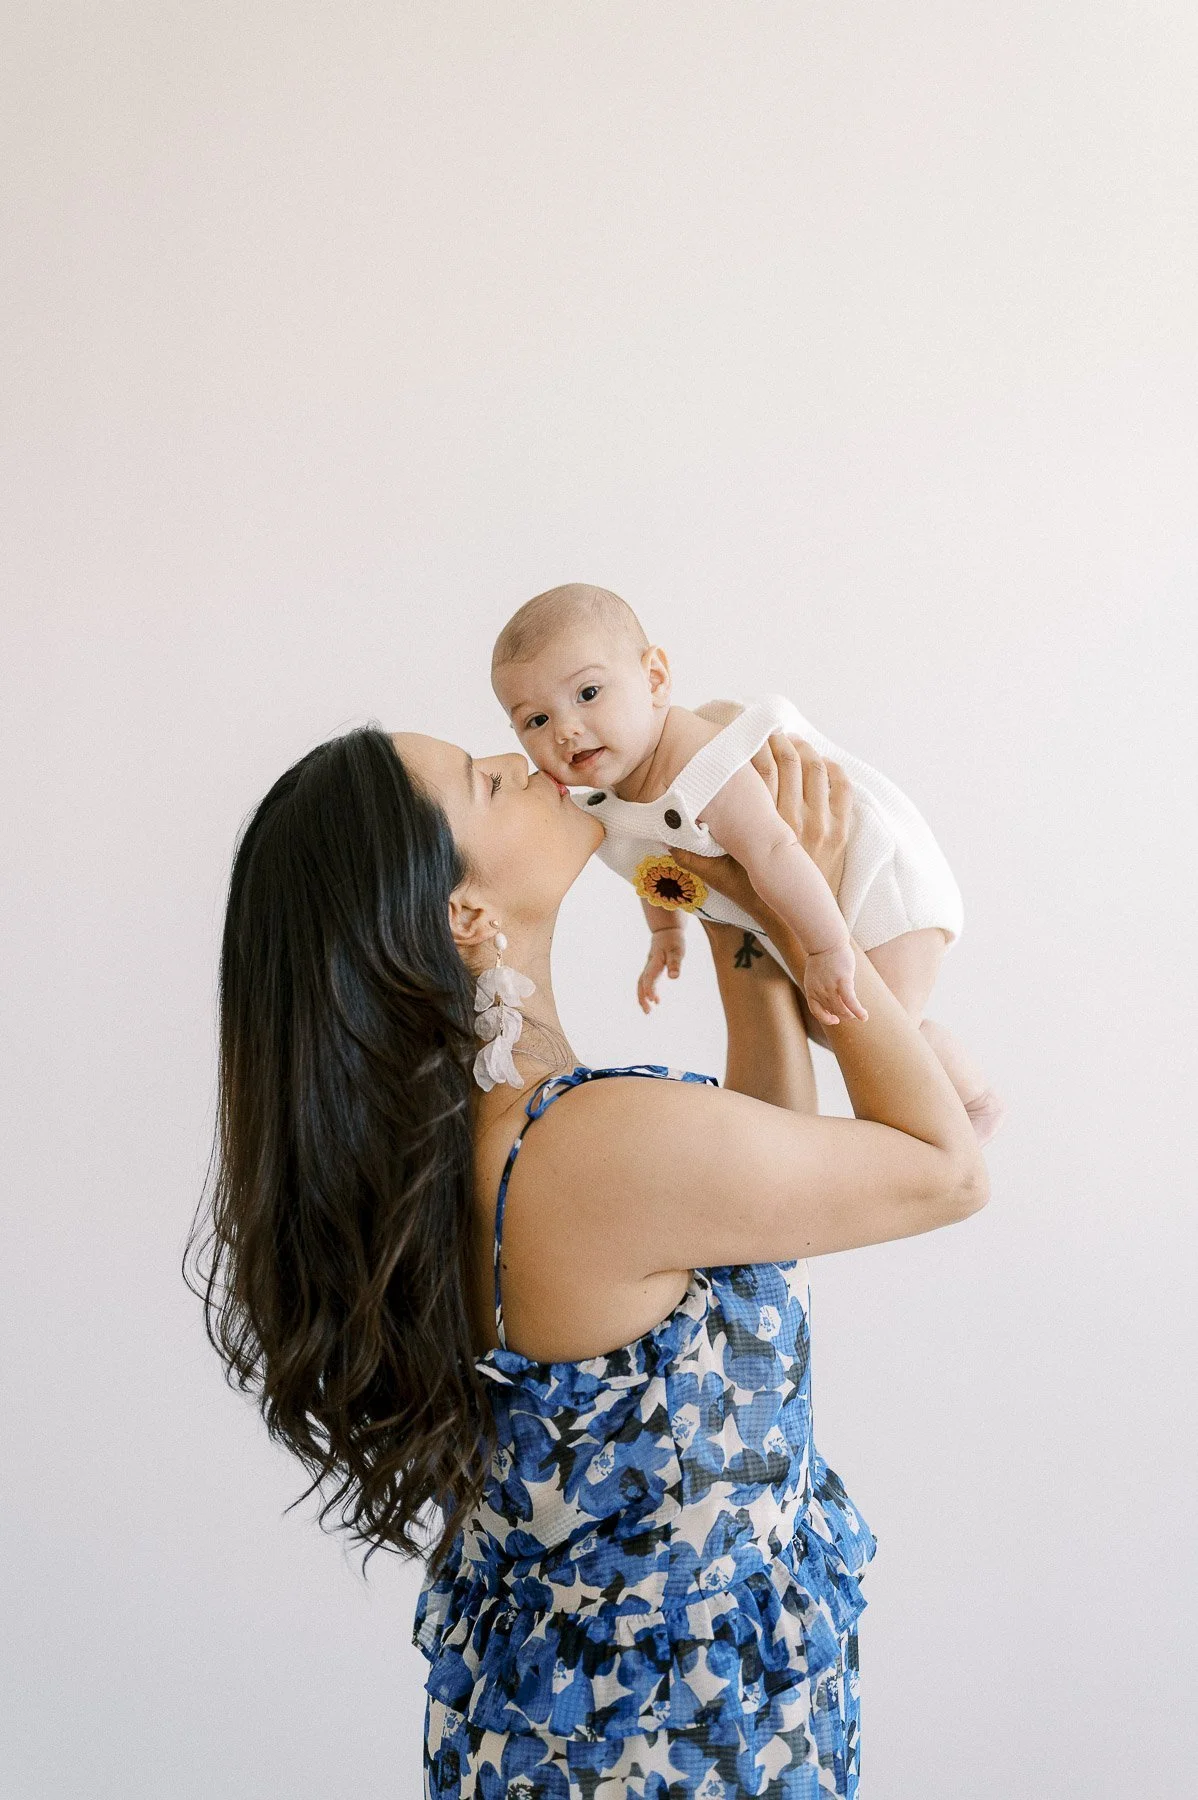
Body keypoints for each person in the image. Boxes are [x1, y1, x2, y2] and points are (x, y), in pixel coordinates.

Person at [190, 719, 989, 1800]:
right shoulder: (587, 1147)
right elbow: (945, 1170)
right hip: (686, 1757)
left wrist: (732, 917)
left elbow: (755, 1210)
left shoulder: (482, 1146)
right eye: (487, 781)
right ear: (465, 915)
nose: (529, 763)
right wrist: (813, 925)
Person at [491, 581, 1004, 1145]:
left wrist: (828, 949)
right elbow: (654, 859)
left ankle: (974, 1101)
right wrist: (666, 931)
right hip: (809, 906)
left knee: (883, 1032)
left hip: (880, 887)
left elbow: (775, 851)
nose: (565, 729)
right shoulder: (614, 800)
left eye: (588, 693)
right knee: (831, 1028)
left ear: (655, 679)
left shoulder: (705, 765)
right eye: (535, 721)